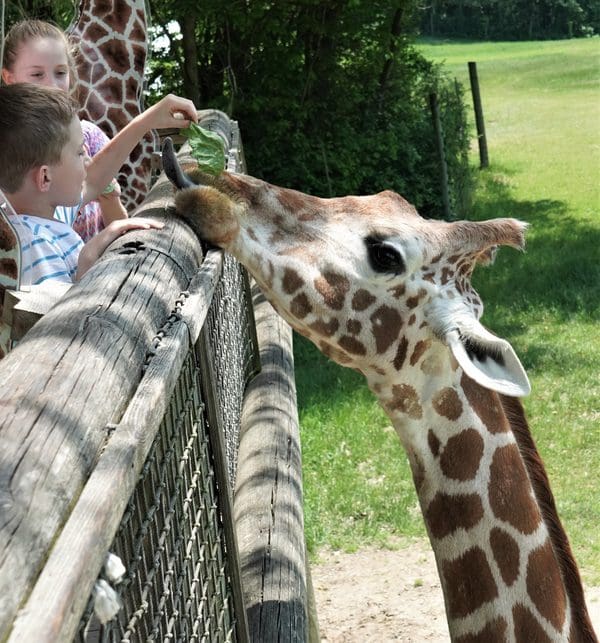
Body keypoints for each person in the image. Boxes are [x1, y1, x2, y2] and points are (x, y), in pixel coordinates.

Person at [0, 82, 198, 284]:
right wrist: (91, 254)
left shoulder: (46, 213)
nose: (88, 159)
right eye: (79, 152)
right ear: (45, 178)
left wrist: (147, 120)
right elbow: (62, 314)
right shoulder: (35, 245)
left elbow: (94, 180)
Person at [1, 19, 128, 242]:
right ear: (9, 78)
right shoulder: (7, 148)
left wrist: (109, 197)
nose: (52, 85)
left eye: (60, 73)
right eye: (37, 75)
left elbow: (118, 223)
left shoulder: (89, 137)